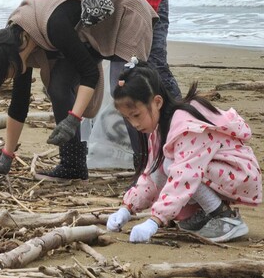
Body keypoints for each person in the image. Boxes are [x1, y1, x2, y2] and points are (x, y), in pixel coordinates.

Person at [0, 0, 158, 181]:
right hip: (88, 33)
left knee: (123, 89)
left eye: (3, 74)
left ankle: (147, 165)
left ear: (7, 59)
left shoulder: (52, 26)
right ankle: (72, 166)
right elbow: (19, 104)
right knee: (58, 87)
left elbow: (89, 74)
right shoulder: (18, 41)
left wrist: (73, 119)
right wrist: (6, 156)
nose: (6, 78)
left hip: (125, 12)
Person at [28, 0, 181, 171]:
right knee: (60, 82)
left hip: (137, 4)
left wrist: (137, 44)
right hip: (90, 20)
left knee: (132, 80)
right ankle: (73, 164)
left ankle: (162, 153)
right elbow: (54, 0)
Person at [106, 58, 262, 243]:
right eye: (128, 118)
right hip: (219, 173)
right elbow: (151, 174)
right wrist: (127, 207)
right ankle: (206, 213)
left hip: (238, 173)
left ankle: (223, 217)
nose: (134, 124)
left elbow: (185, 176)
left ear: (157, 102)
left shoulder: (185, 127)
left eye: (136, 115)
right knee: (161, 167)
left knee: (171, 164)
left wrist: (155, 220)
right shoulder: (160, 127)